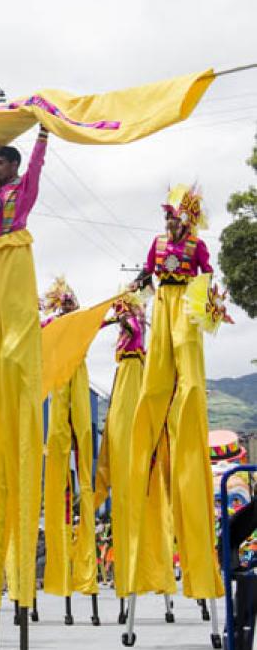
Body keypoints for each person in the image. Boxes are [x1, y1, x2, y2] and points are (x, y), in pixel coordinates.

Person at [127, 184, 224, 600]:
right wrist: (137, 284)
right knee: (160, 361)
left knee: (186, 352)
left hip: (185, 298)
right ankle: (156, 405)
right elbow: (148, 271)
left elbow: (207, 274)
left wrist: (208, 302)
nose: (169, 221)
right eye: (167, 215)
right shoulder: (158, 243)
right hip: (162, 299)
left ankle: (188, 398)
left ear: (188, 218)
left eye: (175, 216)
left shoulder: (198, 245)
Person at [0, 128, 48, 623]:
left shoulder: (21, 189)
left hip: (16, 258)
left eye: (0, 164)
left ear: (12, 165)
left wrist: (44, 136)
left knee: (17, 344)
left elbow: (38, 171)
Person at [95, 292, 175, 599]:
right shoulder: (129, 344)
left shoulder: (135, 326)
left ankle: (149, 571)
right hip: (125, 380)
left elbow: (128, 326)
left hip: (132, 383)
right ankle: (130, 574)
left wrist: (116, 316)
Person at [41, 278, 98, 601]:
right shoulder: (53, 324)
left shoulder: (80, 323)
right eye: (63, 303)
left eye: (69, 303)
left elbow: (99, 319)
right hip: (59, 384)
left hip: (76, 381)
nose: (67, 307)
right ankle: (60, 568)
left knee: (84, 445)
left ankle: (85, 570)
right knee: (59, 451)